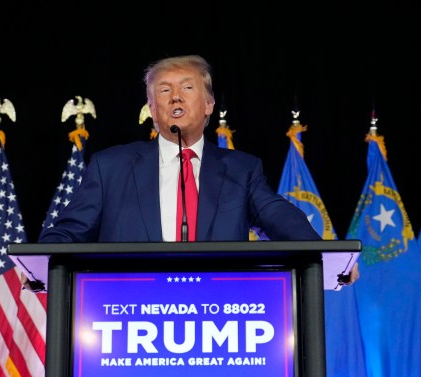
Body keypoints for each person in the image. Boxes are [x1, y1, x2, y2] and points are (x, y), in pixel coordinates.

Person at [38, 54, 335, 246]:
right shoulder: (111, 167)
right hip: (130, 315)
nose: (176, 97)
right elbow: (70, 230)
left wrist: (324, 255)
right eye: (165, 91)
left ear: (209, 104)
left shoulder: (242, 170)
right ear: (153, 110)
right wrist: (37, 263)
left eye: (187, 88)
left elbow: (279, 217)